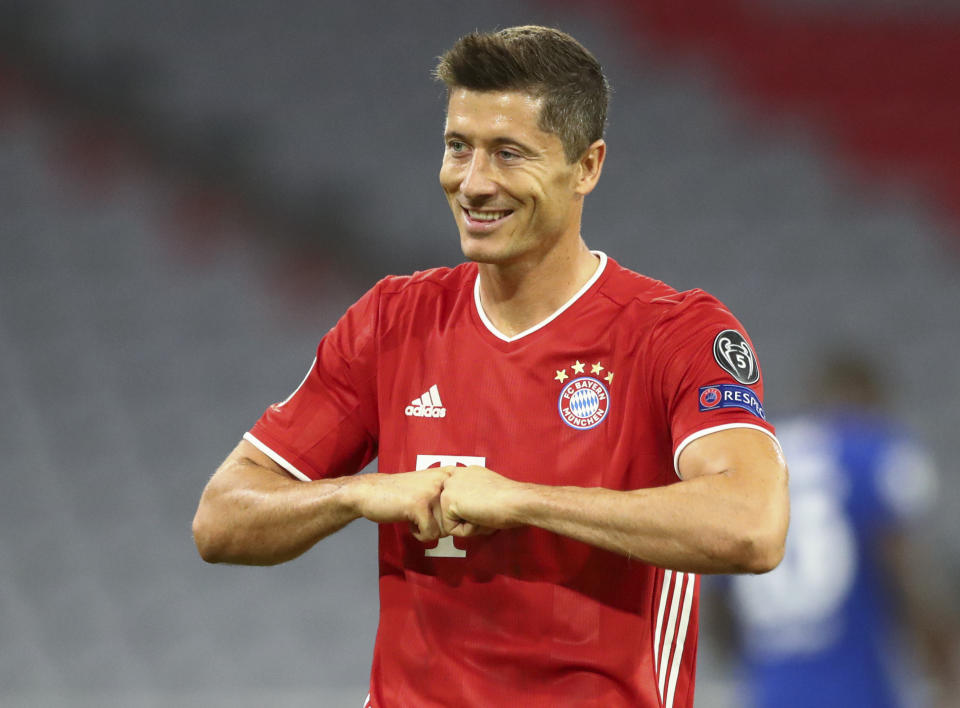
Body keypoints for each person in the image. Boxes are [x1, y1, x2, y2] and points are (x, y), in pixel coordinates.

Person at [192, 26, 789, 708]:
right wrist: (356, 495)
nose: (473, 183)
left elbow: (752, 524)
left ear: (587, 166)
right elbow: (220, 519)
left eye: (508, 154)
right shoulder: (392, 321)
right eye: (457, 147)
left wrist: (522, 501)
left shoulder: (675, 334)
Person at [721, 352, 959, 708]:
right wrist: (942, 671)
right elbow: (902, 573)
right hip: (857, 690)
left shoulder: (754, 464)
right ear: (872, 401)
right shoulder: (873, 449)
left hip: (771, 692)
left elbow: (717, 602)